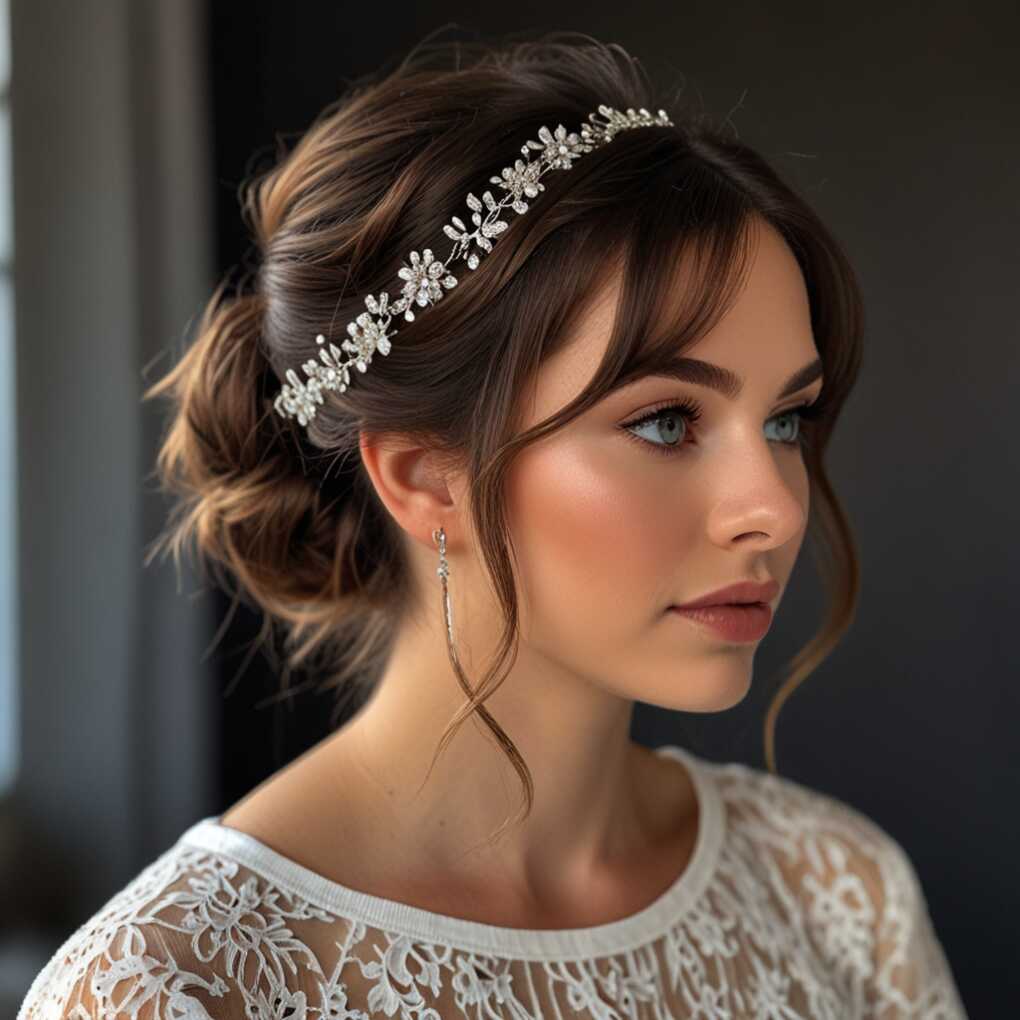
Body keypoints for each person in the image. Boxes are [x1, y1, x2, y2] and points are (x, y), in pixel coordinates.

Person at [18, 29, 967, 1020]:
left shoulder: (837, 894)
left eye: (784, 419)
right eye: (666, 420)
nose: (773, 506)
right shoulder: (171, 989)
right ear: (427, 476)